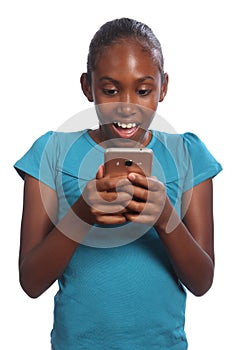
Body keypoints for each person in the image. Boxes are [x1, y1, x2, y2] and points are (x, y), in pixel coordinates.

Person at [14, 18, 222, 349]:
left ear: (163, 87)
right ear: (87, 86)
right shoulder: (50, 153)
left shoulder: (188, 154)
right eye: (110, 90)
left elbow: (201, 281)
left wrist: (164, 216)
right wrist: (81, 214)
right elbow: (31, 281)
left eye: (143, 90)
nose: (127, 105)